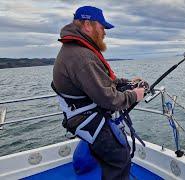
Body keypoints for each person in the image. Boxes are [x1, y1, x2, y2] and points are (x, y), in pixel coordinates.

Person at [52, 6, 145, 180]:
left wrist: (127, 83)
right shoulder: (82, 57)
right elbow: (109, 100)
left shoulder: (76, 51)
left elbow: (101, 82)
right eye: (102, 27)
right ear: (88, 25)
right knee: (120, 156)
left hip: (82, 113)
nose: (104, 32)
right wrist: (135, 95)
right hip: (86, 118)